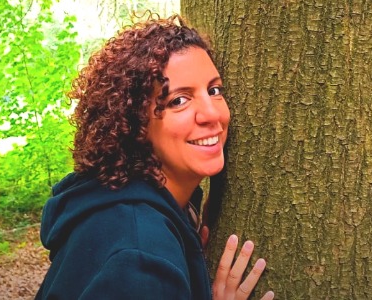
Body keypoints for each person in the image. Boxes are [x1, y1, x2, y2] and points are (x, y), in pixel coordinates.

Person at [36, 15, 275, 300]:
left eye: (214, 90)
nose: (212, 114)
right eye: (178, 100)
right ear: (134, 125)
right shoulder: (140, 258)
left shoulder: (120, 205)